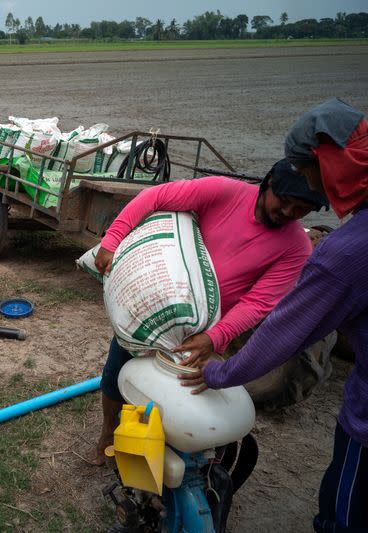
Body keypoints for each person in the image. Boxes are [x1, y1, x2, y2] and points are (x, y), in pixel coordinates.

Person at [180, 98, 368, 532]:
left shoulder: (342, 254)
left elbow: (283, 327)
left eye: (308, 179)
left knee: (343, 518)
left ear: (330, 163)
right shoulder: (225, 195)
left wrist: (220, 372)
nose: (311, 194)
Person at [88, 160, 329, 465]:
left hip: (207, 329)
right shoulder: (225, 192)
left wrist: (215, 337)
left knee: (183, 394)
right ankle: (108, 434)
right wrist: (112, 239)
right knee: (116, 372)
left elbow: (258, 303)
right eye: (284, 201)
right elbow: (155, 198)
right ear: (268, 184)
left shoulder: (295, 248)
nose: (288, 213)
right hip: (156, 304)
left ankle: (172, 456)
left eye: (300, 210)